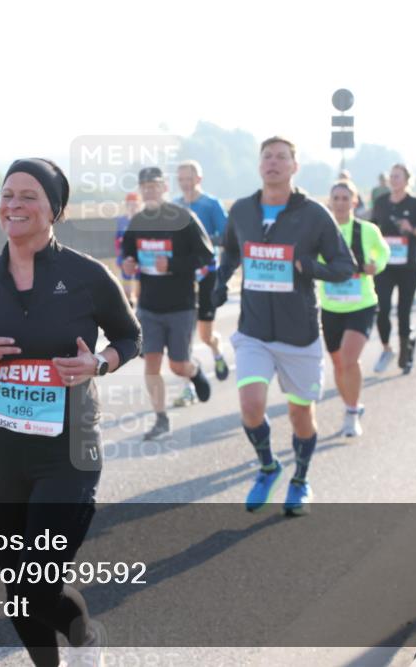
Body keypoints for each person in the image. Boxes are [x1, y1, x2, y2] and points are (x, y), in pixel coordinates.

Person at [0, 158, 141, 667]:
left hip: (66, 451)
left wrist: (97, 362)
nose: (14, 204)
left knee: (40, 577)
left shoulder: (87, 276)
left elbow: (130, 336)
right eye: (8, 194)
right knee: (18, 584)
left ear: (55, 209)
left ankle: (85, 638)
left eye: (29, 195)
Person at [213, 136, 354, 515]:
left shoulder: (313, 215)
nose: (273, 162)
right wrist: (218, 282)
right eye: (267, 157)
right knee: (251, 405)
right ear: (259, 165)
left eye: (282, 157)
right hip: (255, 330)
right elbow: (229, 249)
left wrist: (310, 268)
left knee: (299, 415)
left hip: (299, 333)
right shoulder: (242, 210)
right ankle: (268, 467)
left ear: (295, 167)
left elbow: (345, 266)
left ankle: (300, 479)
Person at [121, 166, 215, 439]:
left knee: (177, 365)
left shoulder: (183, 218)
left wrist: (172, 265)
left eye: (155, 185)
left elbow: (206, 255)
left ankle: (194, 372)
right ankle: (161, 419)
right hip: (149, 306)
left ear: (165, 188)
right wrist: (128, 265)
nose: (150, 190)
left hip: (181, 305)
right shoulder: (137, 222)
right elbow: (128, 259)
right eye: (145, 186)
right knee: (151, 363)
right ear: (141, 191)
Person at [319, 180, 389, 436]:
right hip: (331, 306)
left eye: (345, 198)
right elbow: (312, 259)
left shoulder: (366, 230)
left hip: (361, 304)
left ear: (354, 202)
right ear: (330, 201)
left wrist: (375, 265)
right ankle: (351, 405)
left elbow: (382, 252)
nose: (340, 203)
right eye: (335, 198)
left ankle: (350, 413)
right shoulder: (321, 230)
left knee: (350, 358)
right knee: (338, 364)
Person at [172, 160, 230, 407]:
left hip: (207, 274)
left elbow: (227, 236)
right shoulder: (174, 206)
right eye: (181, 178)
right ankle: (189, 387)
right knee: (183, 334)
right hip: (182, 278)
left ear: (199, 179)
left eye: (189, 178)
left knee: (205, 335)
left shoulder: (211, 204)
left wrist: (202, 240)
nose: (185, 183)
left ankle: (216, 351)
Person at [370, 164, 416, 374]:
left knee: (404, 312)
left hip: (409, 266)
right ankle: (387, 348)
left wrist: (412, 229)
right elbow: (372, 230)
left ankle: (406, 351)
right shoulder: (381, 203)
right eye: (391, 176)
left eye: (398, 176)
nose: (394, 180)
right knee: (382, 310)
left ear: (408, 180)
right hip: (385, 265)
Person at [114, 192, 142, 306]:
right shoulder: (121, 220)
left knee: (140, 285)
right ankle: (129, 306)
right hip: (125, 256)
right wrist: (119, 255)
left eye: (135, 204)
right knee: (126, 286)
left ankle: (139, 305)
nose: (132, 207)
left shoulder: (143, 219)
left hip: (140, 257)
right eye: (130, 204)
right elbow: (117, 240)